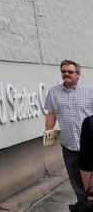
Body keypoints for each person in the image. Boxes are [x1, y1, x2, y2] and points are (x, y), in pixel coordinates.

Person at [45, 60, 93, 204]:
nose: (66, 74)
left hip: (89, 145)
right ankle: (83, 206)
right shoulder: (54, 92)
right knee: (75, 180)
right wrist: (49, 138)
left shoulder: (90, 90)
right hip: (69, 145)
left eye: (70, 72)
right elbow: (51, 114)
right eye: (63, 71)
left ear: (78, 75)